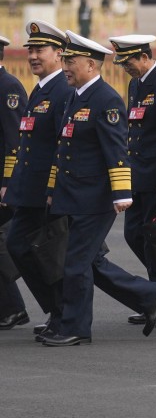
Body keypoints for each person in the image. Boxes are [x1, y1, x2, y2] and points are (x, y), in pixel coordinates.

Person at [40, 31, 156, 345]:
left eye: (71, 61)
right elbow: (64, 148)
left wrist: (122, 192)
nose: (65, 66)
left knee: (76, 262)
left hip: (94, 197)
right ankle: (148, 296)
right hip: (73, 194)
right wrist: (54, 186)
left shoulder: (105, 99)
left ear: (91, 66)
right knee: (89, 261)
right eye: (65, 60)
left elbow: (116, 149)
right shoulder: (75, 96)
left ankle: (75, 328)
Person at [2, 21, 74, 339]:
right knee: (21, 246)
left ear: (59, 54)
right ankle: (56, 311)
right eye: (30, 50)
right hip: (30, 189)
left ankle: (63, 315)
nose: (33, 56)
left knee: (58, 255)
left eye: (39, 50)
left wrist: (52, 187)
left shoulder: (62, 91)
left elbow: (64, 147)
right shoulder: (41, 88)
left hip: (50, 191)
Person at [108, 35, 156, 299]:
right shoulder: (135, 84)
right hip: (137, 174)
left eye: (128, 61)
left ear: (144, 57)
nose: (125, 67)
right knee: (133, 234)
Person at [0, 35, 29, 330]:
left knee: (12, 246)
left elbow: (14, 141)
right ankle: (11, 308)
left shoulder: (8, 87)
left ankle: (13, 308)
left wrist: (8, 182)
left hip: (2, 182)